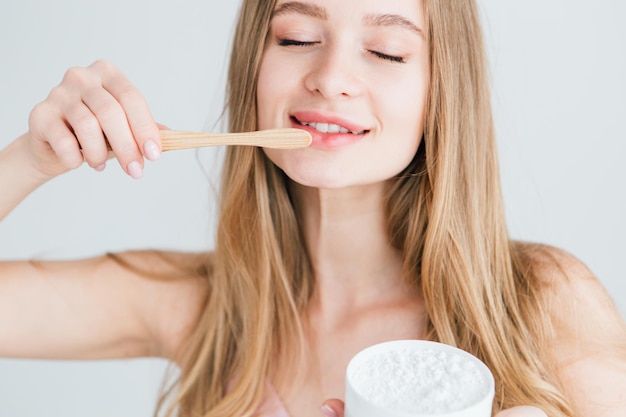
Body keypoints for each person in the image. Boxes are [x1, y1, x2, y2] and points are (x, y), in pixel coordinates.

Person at [1, 0, 625, 416]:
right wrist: (31, 158)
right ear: (255, 63)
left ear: (443, 92)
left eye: (386, 51)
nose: (331, 77)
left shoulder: (544, 301)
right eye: (298, 37)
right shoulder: (203, 307)